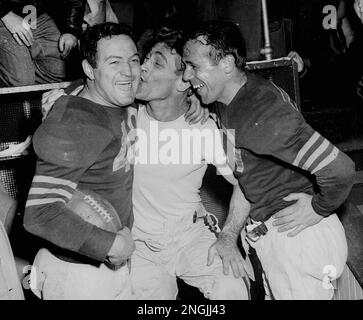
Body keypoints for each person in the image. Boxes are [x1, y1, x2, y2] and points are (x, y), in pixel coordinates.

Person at [41, 26, 251, 300]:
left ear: (183, 82)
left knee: (232, 287)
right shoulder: (123, 114)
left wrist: (228, 236)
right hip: (137, 244)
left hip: (189, 235)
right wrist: (63, 99)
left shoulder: (206, 128)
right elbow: (92, 90)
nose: (141, 69)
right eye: (145, 59)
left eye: (157, 63)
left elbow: (248, 182)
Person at [182, 20, 355, 300]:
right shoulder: (234, 99)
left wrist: (318, 207)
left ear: (226, 64)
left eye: (193, 66)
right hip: (279, 239)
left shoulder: (261, 110)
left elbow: (341, 169)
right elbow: (248, 181)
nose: (187, 77)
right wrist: (196, 98)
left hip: (298, 239)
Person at [23, 22, 140, 300]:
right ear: (90, 69)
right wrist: (110, 245)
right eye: (114, 62)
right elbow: (38, 214)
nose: (129, 71)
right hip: (77, 276)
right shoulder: (74, 124)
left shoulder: (111, 95)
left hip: (108, 263)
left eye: (134, 60)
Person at [0, 0, 86, 87]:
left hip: (38, 13)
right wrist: (5, 14)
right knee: (21, 81)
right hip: (6, 15)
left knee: (57, 75)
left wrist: (71, 30)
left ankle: (25, 89)